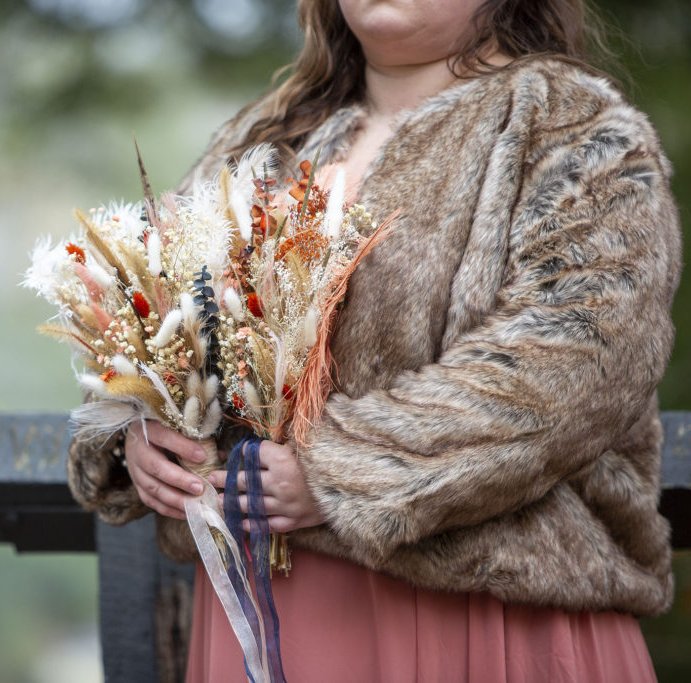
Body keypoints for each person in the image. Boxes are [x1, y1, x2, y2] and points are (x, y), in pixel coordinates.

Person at [66, 0, 681, 680]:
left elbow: (571, 367)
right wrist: (141, 433)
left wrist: (336, 474)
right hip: (266, 621)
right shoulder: (262, 141)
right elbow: (148, 319)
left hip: (489, 625)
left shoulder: (576, 133)